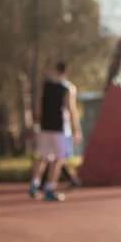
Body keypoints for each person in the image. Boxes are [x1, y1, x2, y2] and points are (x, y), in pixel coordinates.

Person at [29, 61, 82, 201]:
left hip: (45, 127)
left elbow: (39, 107)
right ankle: (50, 188)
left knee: (43, 157)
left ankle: (34, 185)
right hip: (60, 129)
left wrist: (37, 123)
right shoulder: (68, 88)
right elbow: (71, 109)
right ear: (66, 72)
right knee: (58, 159)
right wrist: (77, 129)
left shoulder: (45, 85)